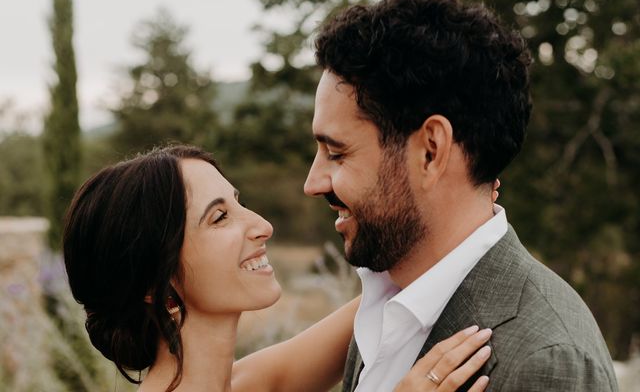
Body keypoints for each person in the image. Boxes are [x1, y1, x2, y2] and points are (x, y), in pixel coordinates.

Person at [304, 0, 619, 391]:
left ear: (431, 151)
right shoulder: (389, 298)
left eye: (337, 153)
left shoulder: (546, 361)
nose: (313, 184)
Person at [63, 144, 493, 392]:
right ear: (153, 286)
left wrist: (454, 194)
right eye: (219, 217)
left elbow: (387, 293)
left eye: (238, 202)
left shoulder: (246, 384)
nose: (262, 226)